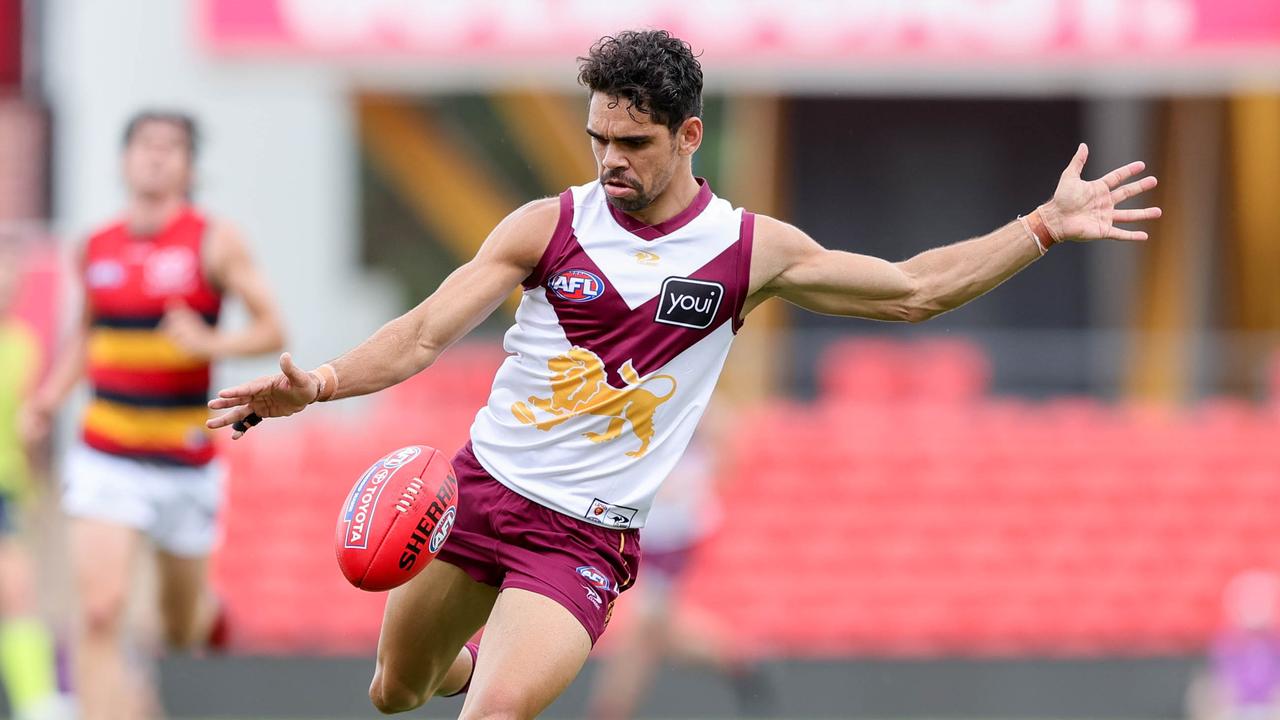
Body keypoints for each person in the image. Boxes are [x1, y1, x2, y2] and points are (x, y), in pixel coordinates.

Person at [206, 29, 1161, 720]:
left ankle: (486, 666)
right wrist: (320, 385)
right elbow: (421, 334)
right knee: (392, 695)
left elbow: (911, 289)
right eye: (598, 141)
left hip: (580, 540)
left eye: (634, 144)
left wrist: (1040, 227)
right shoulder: (546, 226)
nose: (610, 162)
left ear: (690, 136)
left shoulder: (749, 251)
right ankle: (455, 657)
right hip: (475, 494)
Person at [20, 111, 286, 720]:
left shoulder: (214, 240)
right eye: (146, 145)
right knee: (99, 610)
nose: (157, 157)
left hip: (183, 462)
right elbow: (87, 337)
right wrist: (46, 401)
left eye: (172, 148)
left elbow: (274, 328)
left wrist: (209, 343)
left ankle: (204, 614)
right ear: (124, 159)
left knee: (181, 628)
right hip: (106, 453)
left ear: (190, 167)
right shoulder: (95, 245)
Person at [586, 427, 775, 719]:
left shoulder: (705, 405)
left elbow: (725, 453)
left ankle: (608, 712)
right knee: (651, 631)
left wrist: (692, 489)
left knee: (643, 627)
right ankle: (736, 658)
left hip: (671, 534)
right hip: (647, 529)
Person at [0, 239, 68, 720]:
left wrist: (35, 484)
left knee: (17, 592)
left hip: (6, 489)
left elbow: (29, 429)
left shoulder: (22, 345)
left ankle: (37, 704)